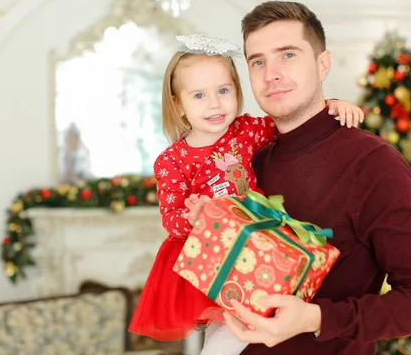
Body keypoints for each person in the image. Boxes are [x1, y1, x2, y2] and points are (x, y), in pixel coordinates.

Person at [185, 2, 411, 355]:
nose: (270, 74)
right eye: (257, 61)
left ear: (322, 64)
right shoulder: (250, 161)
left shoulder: (373, 163)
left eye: (287, 55)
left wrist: (315, 318)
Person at [128, 33, 364, 354]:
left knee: (254, 331)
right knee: (224, 339)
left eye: (223, 91)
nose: (214, 103)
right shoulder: (172, 160)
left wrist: (330, 106)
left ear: (236, 92)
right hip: (213, 257)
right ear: (178, 104)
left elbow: (294, 123)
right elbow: (171, 221)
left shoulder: (246, 130)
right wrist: (196, 218)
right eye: (199, 95)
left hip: (258, 246)